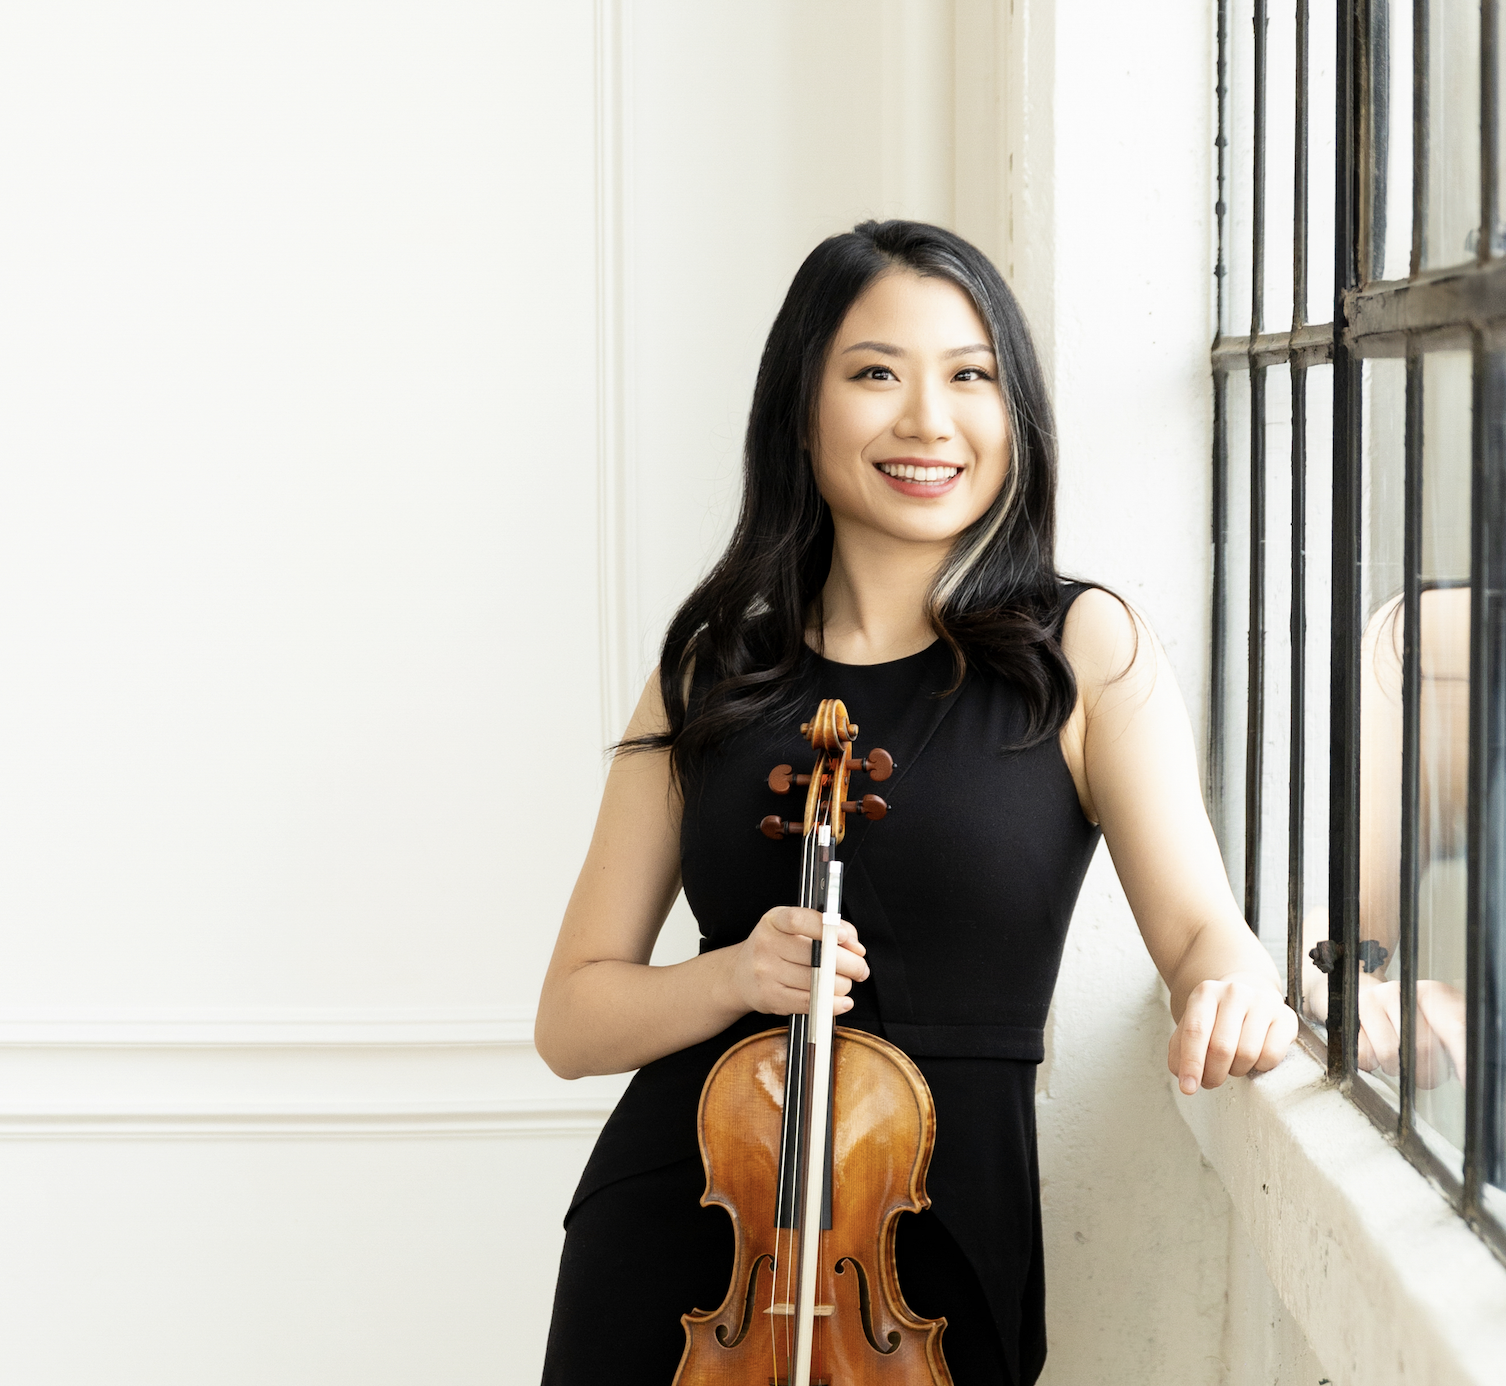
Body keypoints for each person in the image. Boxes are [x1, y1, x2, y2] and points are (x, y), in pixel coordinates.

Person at [534, 220, 1297, 1386]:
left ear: (1015, 412)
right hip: (689, 1247)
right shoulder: (710, 672)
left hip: (933, 1260)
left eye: (972, 375)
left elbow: (1198, 929)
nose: (929, 421)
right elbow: (573, 1019)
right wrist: (737, 976)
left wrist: (1239, 984)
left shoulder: (1081, 650)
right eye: (876, 373)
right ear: (803, 406)